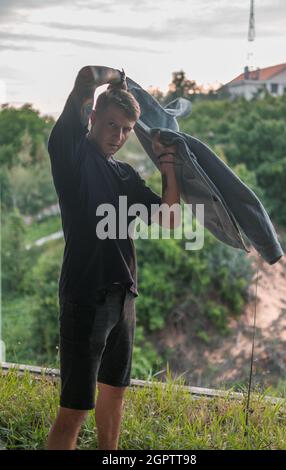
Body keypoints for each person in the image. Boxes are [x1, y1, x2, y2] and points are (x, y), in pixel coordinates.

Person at [46, 65, 181, 450]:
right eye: (111, 125)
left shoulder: (124, 174)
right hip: (85, 298)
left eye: (125, 130)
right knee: (74, 410)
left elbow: (169, 220)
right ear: (92, 118)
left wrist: (168, 164)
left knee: (115, 394)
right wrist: (117, 78)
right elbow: (87, 76)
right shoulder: (70, 154)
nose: (118, 136)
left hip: (123, 299)